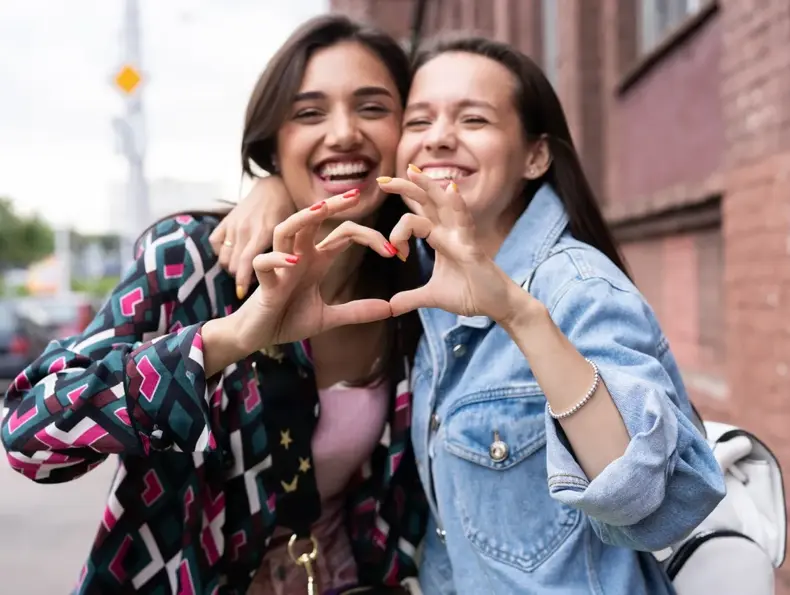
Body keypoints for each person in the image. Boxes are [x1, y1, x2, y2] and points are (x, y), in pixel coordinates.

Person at [211, 35, 726, 594]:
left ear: (536, 156)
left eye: (473, 119)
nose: (438, 138)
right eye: (420, 120)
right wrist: (271, 187)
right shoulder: (412, 268)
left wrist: (520, 315)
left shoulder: (578, 290)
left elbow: (653, 507)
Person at [1, 15, 429, 595]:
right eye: (308, 113)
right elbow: (30, 434)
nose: (344, 132)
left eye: (373, 108)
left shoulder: (419, 280)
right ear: (273, 142)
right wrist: (225, 340)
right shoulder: (192, 260)